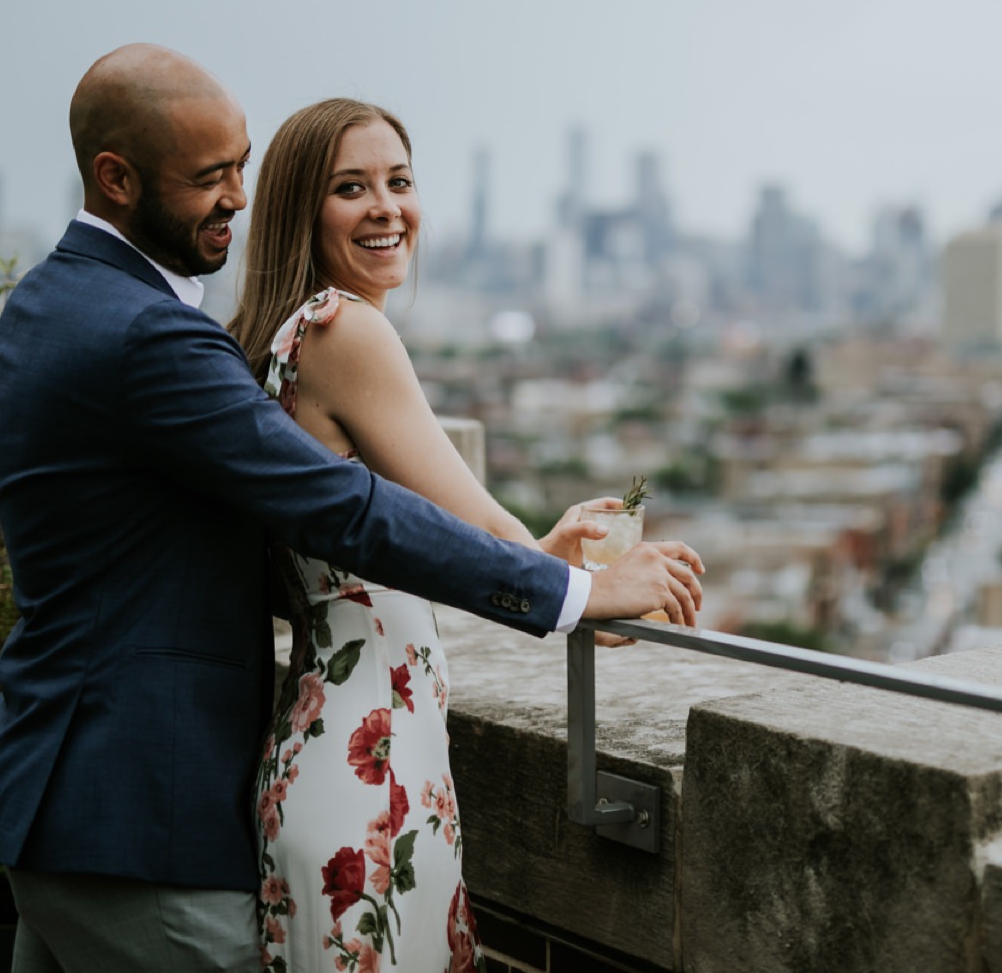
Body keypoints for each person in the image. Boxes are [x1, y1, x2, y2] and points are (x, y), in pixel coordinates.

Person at [0, 45, 704, 973]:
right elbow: (349, 511)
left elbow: (238, 550)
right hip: (140, 820)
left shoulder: (52, 302)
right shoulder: (151, 333)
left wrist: (531, 549)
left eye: (242, 165)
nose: (237, 194)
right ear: (116, 179)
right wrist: (572, 592)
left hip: (56, 797)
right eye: (210, 176)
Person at [227, 98, 675, 972]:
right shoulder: (347, 329)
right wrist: (581, 592)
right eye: (351, 187)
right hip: (372, 779)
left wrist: (546, 555)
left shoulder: (276, 341)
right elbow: (469, 519)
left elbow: (406, 538)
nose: (387, 207)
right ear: (300, 211)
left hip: (330, 752)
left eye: (399, 180)